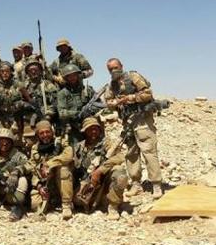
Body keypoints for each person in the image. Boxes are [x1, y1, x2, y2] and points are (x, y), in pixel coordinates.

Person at [104, 58, 163, 198]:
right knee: (131, 153)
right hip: (127, 122)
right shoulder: (112, 85)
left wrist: (128, 98)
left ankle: (156, 184)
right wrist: (114, 103)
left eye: (116, 67)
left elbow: (147, 94)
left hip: (142, 119)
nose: (113, 71)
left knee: (148, 151)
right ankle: (136, 184)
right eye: (110, 69)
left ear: (121, 66)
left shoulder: (133, 77)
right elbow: (108, 101)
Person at [73, 118, 128, 220]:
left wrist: (100, 170)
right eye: (90, 129)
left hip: (103, 184)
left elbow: (120, 157)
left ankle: (113, 207)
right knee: (77, 200)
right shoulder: (78, 147)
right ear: (84, 131)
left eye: (96, 129)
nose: (93, 132)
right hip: (86, 187)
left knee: (119, 172)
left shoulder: (106, 143)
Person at [21, 120, 74, 220]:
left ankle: (66, 205)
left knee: (63, 169)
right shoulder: (35, 149)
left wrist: (50, 164)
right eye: (41, 133)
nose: (45, 135)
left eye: (47, 132)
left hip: (61, 181)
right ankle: (51, 201)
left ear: (52, 132)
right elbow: (33, 169)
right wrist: (39, 186)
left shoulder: (61, 143)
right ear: (38, 135)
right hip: (45, 182)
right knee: (35, 205)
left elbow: (68, 156)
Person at [56, 64, 99, 145]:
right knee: (77, 149)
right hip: (74, 128)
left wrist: (91, 111)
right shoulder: (62, 93)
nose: (72, 78)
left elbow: (100, 104)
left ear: (78, 75)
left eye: (74, 75)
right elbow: (62, 113)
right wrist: (78, 113)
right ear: (66, 78)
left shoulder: (87, 90)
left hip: (90, 125)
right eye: (69, 76)